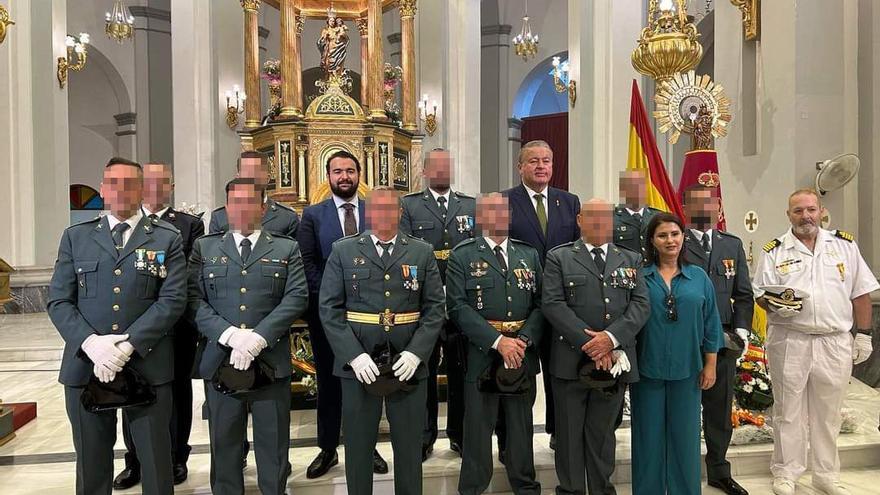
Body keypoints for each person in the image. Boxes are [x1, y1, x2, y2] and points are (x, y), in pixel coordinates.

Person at [47, 157, 187, 495]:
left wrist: (128, 344)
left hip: (147, 363)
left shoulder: (166, 238)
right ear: (104, 189)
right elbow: (59, 300)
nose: (121, 191)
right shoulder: (76, 238)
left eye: (130, 183)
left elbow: (172, 300)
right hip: (86, 366)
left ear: (142, 189)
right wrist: (92, 344)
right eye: (114, 183)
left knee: (156, 463)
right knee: (92, 464)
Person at [319, 187, 445, 495]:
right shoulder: (343, 251)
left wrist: (417, 353)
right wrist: (353, 355)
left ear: (400, 213)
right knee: (359, 446)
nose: (383, 215)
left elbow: (434, 308)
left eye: (390, 209)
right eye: (377, 209)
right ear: (368, 213)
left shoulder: (421, 251)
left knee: (409, 446)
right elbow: (329, 308)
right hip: (359, 363)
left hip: (407, 362)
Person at [752, 189, 878, 495]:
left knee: (828, 412)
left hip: (834, 341)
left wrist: (864, 335)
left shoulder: (844, 246)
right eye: (798, 211)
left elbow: (861, 293)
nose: (805, 216)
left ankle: (825, 474)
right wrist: (776, 305)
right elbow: (761, 294)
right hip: (790, 339)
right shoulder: (775, 250)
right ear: (789, 215)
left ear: (821, 211)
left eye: (810, 209)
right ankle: (786, 472)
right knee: (788, 410)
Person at [188, 178, 308, 494]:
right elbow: (192, 299)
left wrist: (259, 337)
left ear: (263, 207)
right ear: (226, 208)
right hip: (220, 360)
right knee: (225, 442)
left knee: (273, 443)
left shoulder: (286, 247)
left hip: (270, 361)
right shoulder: (205, 247)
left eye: (250, 202)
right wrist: (229, 335)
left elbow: (296, 296)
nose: (242, 209)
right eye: (235, 202)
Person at [542, 198, 650, 495]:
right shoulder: (559, 258)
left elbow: (641, 305)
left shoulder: (630, 259)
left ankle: (602, 490)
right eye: (592, 216)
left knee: (603, 435)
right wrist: (593, 343)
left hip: (614, 360)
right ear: (579, 220)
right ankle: (572, 491)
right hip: (570, 361)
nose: (600, 222)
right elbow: (552, 303)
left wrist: (611, 340)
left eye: (605, 216)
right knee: (569, 435)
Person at [113, 163, 205, 489]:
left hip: (175, 326)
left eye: (161, 181)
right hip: (131, 326)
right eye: (148, 181)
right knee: (128, 390)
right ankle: (134, 460)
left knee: (176, 392)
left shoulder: (188, 225)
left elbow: (188, 273)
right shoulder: (125, 226)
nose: (154, 186)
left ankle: (176, 456)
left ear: (171, 185)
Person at [297, 150, 388, 478]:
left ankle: (368, 446)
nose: (344, 176)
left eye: (350, 170)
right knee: (330, 382)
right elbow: (307, 263)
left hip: (371, 317)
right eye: (338, 171)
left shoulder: (375, 211)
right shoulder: (313, 215)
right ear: (328, 176)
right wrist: (336, 296)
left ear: (359, 173)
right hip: (329, 316)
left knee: (369, 381)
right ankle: (327, 447)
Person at [447, 193, 543, 495]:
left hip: (522, 354)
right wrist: (499, 342)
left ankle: (526, 487)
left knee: (520, 428)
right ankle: (472, 488)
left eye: (502, 211)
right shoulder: (462, 255)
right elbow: (458, 307)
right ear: (480, 217)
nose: (497, 216)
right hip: (482, 354)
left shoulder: (528, 255)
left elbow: (542, 304)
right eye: (490, 211)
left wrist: (523, 340)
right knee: (477, 429)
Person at [630, 212, 722, 495]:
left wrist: (711, 365)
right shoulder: (639, 277)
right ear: (651, 241)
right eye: (662, 235)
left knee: (685, 438)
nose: (670, 240)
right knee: (648, 439)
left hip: (689, 370)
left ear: (683, 237)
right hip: (648, 370)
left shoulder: (699, 277)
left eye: (675, 234)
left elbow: (712, 323)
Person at [501, 139, 580, 453]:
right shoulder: (504, 201)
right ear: (520, 166)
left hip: (561, 304)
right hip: (522, 303)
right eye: (533, 161)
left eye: (546, 160)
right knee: (520, 374)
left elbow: (575, 251)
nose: (541, 166)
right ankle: (513, 442)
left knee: (559, 373)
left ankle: (558, 431)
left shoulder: (569, 202)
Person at [400, 148, 475, 460]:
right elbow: (406, 253)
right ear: (425, 171)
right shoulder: (409, 205)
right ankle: (424, 435)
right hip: (424, 304)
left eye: (447, 166)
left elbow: (476, 253)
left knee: (460, 371)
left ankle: (459, 433)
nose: (442, 172)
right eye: (436, 167)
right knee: (424, 371)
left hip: (461, 304)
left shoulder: (470, 205)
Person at [681, 184, 753, 495]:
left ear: (718, 207)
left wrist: (742, 331)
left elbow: (744, 295)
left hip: (723, 338)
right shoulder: (674, 241)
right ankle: (681, 469)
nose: (704, 209)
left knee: (719, 409)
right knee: (683, 408)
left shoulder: (731, 244)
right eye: (696, 204)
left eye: (709, 203)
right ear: (685, 209)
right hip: (684, 336)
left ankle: (719, 471)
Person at [209, 151, 300, 237]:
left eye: (255, 173)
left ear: (267, 178)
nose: (250, 178)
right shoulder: (219, 217)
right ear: (237, 177)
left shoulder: (287, 217)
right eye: (246, 173)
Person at [614, 170, 662, 258]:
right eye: (631, 187)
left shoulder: (659, 216)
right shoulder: (611, 218)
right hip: (626, 269)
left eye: (641, 186)